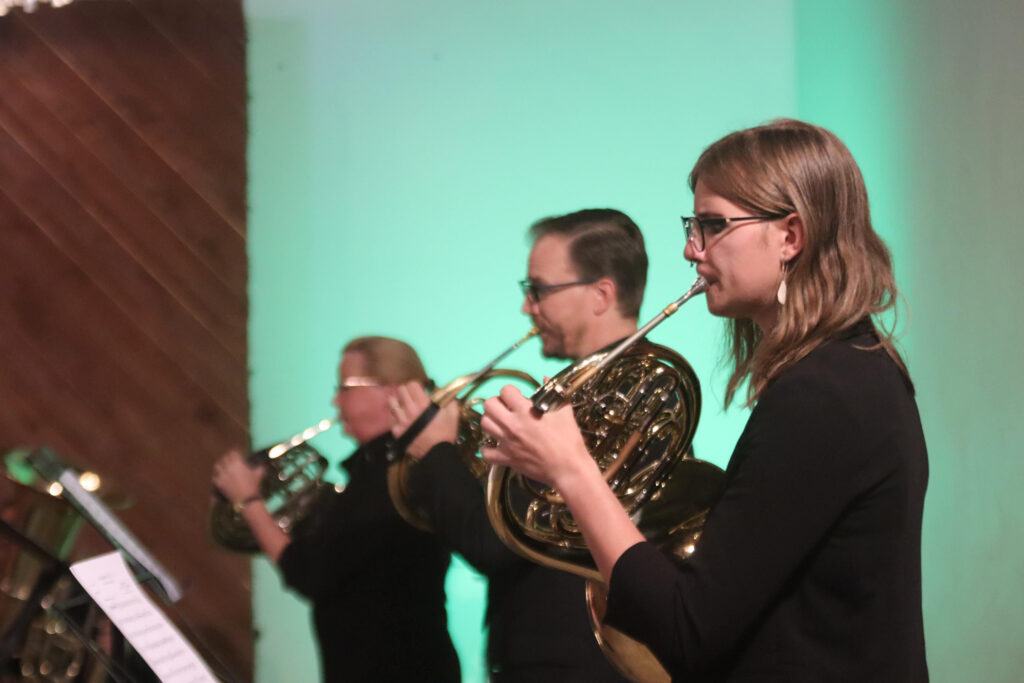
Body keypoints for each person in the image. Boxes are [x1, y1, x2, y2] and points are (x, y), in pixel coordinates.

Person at [479, 120, 929, 682]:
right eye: (694, 225)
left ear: (791, 235)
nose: (692, 250)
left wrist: (571, 469)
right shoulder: (851, 370)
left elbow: (685, 627)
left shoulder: (825, 393)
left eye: (714, 225)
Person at [390, 209, 644, 682]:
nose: (528, 307)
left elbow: (493, 543)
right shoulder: (612, 392)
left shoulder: (605, 403)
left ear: (601, 294)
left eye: (539, 290)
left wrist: (436, 450)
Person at [212, 336, 460, 683]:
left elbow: (309, 572)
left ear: (391, 392)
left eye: (344, 387)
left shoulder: (390, 477)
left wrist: (249, 501)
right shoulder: (379, 471)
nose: (334, 399)